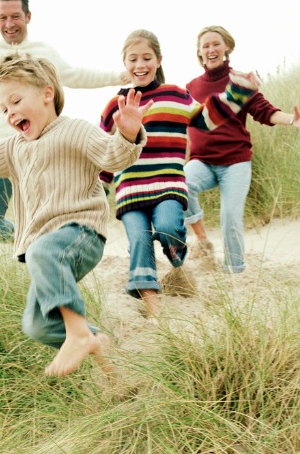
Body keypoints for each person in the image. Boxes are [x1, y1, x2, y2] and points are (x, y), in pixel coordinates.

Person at [0, 53, 150, 378]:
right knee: (38, 324)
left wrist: (128, 134)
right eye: (3, 108)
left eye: (16, 101)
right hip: (48, 249)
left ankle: (77, 336)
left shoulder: (75, 130)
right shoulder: (13, 148)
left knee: (41, 250)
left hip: (81, 233)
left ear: (47, 94)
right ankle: (101, 353)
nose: (10, 112)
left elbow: (113, 156)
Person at [0, 0, 129, 240]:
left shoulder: (43, 52)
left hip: (41, 152)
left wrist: (119, 77)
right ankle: (35, 241)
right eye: (2, 18)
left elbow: (75, 75)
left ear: (28, 17)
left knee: (53, 213)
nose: (9, 24)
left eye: (15, 16)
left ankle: (56, 245)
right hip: (1, 153)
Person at [99, 30, 260, 320]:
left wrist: (239, 92)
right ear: (124, 63)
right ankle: (155, 312)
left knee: (168, 229)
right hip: (130, 189)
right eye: (133, 59)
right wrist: (99, 188)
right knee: (139, 241)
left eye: (147, 58)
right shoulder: (115, 105)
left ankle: (178, 259)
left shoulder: (174, 95)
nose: (140, 65)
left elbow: (208, 118)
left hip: (168, 185)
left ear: (158, 60)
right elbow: (103, 152)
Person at [184, 25, 300, 273]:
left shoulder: (241, 82)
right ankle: (202, 240)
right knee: (180, 183)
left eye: (216, 43)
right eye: (205, 46)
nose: (211, 49)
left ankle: (234, 271)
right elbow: (179, 118)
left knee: (230, 220)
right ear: (199, 53)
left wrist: (293, 119)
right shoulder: (191, 87)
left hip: (235, 163)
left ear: (227, 47)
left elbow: (266, 112)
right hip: (202, 161)